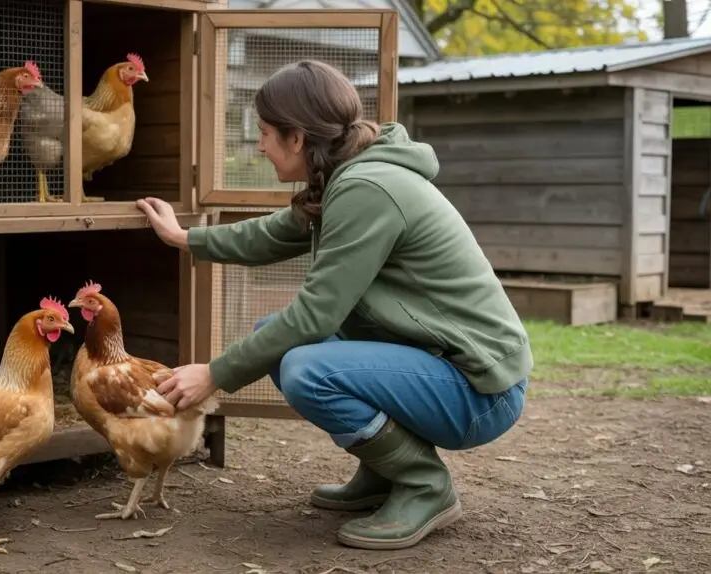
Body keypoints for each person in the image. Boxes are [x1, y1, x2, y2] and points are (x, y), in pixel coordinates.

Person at [135, 60, 531, 550]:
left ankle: (425, 486)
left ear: (297, 137)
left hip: (479, 391)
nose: (259, 146)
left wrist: (215, 373)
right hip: (442, 366)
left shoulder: (367, 189)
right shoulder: (346, 176)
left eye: (263, 133)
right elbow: (274, 234)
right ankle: (387, 471)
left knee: (304, 365)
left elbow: (315, 315)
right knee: (276, 338)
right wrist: (185, 237)